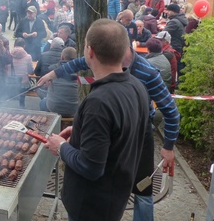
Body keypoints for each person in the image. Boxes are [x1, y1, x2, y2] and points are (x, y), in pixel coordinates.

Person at [38, 36, 180, 221]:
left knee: (143, 190)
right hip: (116, 131)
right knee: (113, 184)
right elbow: (79, 63)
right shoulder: (107, 59)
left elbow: (171, 112)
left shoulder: (147, 73)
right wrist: (52, 75)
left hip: (139, 134)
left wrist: (168, 146)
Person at [44, 19, 150, 221]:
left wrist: (61, 147)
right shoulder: (137, 86)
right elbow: (120, 132)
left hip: (91, 207)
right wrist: (81, 131)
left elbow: (91, 167)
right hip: (115, 197)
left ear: (89, 51)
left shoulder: (98, 103)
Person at [40, 47, 78, 119]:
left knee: (43, 102)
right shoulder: (81, 72)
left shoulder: (52, 69)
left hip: (54, 108)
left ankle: (45, 123)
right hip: (75, 109)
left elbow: (44, 85)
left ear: (62, 57)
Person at [8, 38, 33, 108]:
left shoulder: (8, 55)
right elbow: (31, 71)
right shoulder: (28, 57)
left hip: (9, 83)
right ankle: (22, 105)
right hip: (23, 85)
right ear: (24, 46)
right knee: (25, 82)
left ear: (14, 45)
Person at [164, 4, 187, 78]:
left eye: (169, 11)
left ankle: (180, 83)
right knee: (180, 65)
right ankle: (182, 82)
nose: (167, 12)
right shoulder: (181, 19)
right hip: (181, 45)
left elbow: (164, 33)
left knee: (177, 65)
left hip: (175, 46)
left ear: (173, 12)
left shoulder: (174, 22)